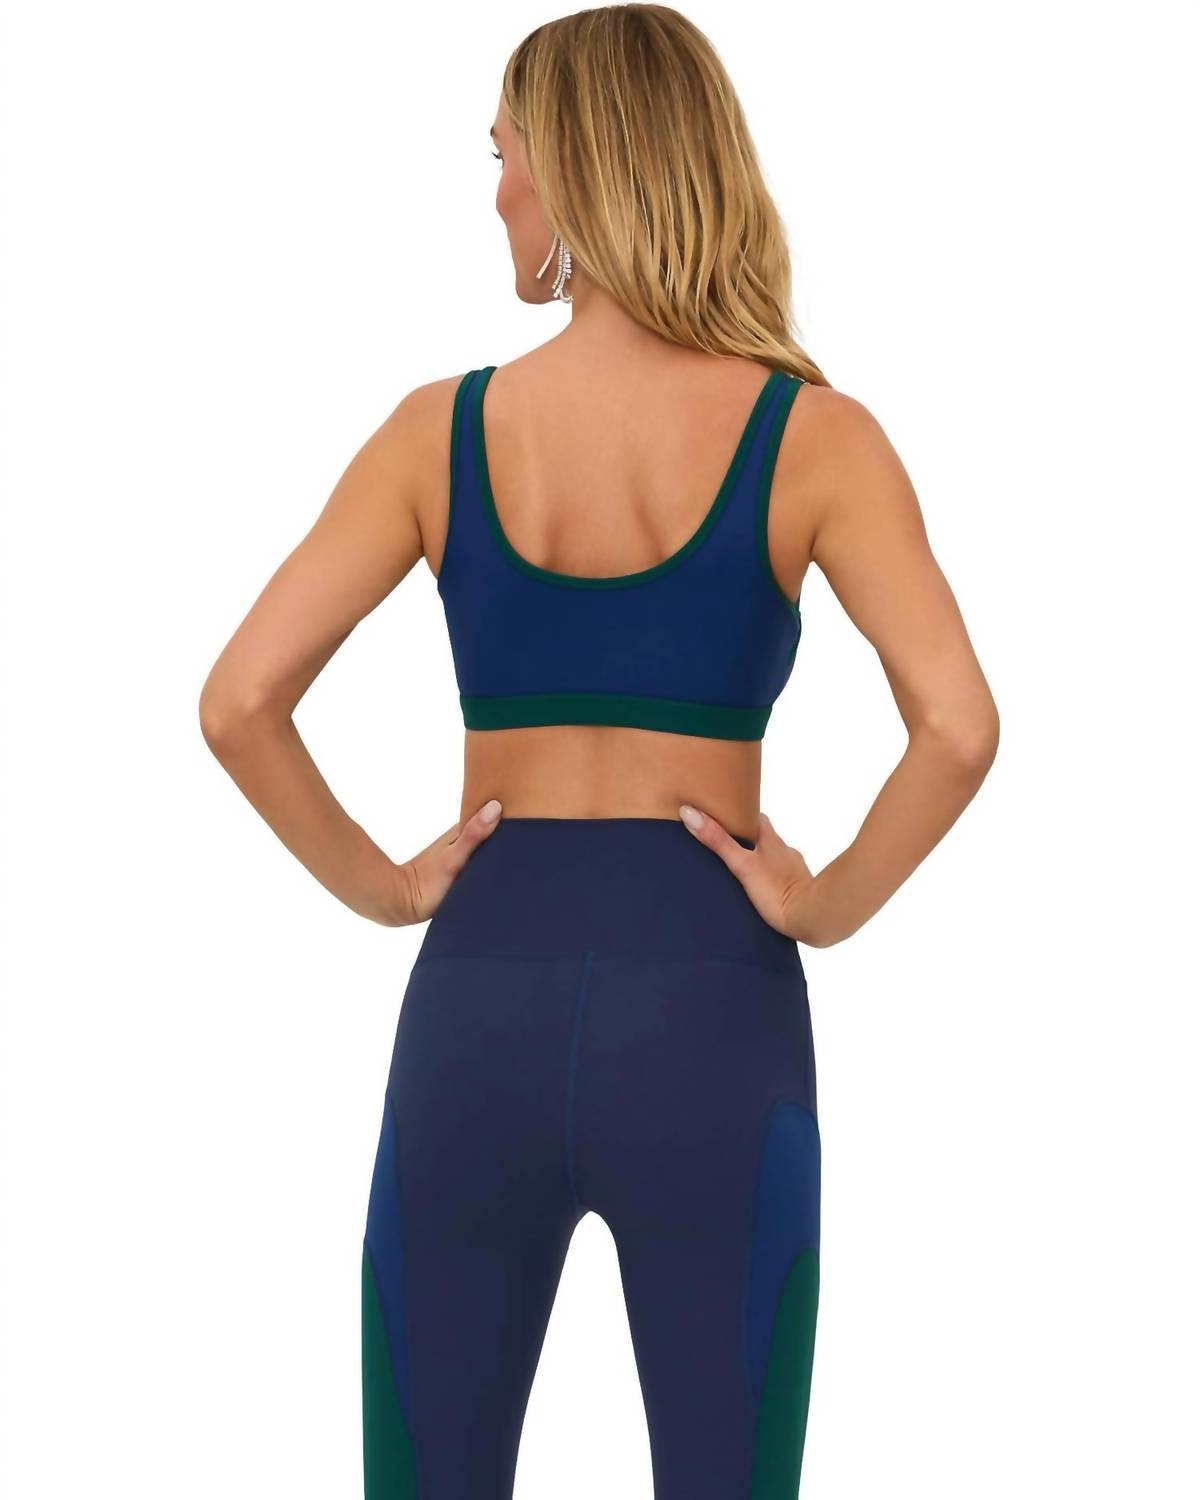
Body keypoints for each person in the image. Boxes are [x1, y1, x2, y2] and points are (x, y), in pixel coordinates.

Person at [198, 6, 1000, 1496]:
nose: (495, 189)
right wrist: (823, 905)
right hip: (713, 1012)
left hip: (476, 1006)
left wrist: (387, 888)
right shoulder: (816, 438)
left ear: (573, 168)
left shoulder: (436, 433)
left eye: (503, 153)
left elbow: (241, 701)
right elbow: (956, 727)